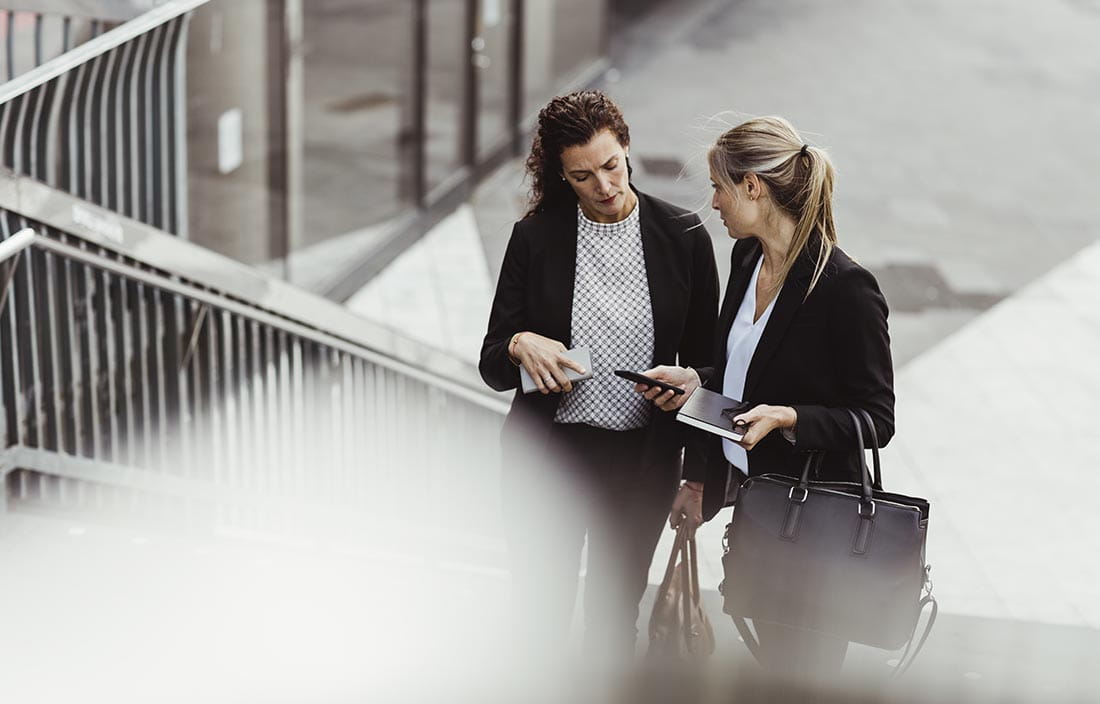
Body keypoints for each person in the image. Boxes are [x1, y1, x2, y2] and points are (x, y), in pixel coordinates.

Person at [636, 115, 895, 677]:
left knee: (802, 674)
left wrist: (790, 418)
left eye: (719, 187)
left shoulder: (846, 289)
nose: (714, 202)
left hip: (812, 527)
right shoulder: (747, 258)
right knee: (774, 672)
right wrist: (698, 383)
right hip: (757, 511)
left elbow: (877, 418)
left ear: (753, 187)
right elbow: (741, 372)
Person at [478, 90, 719, 661]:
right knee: (539, 618)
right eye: (582, 177)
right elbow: (492, 361)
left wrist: (699, 475)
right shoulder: (536, 237)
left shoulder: (684, 237)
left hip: (642, 465)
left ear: (627, 148)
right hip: (548, 459)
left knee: (613, 622)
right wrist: (519, 342)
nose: (605, 186)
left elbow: (713, 368)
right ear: (562, 176)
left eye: (611, 166)